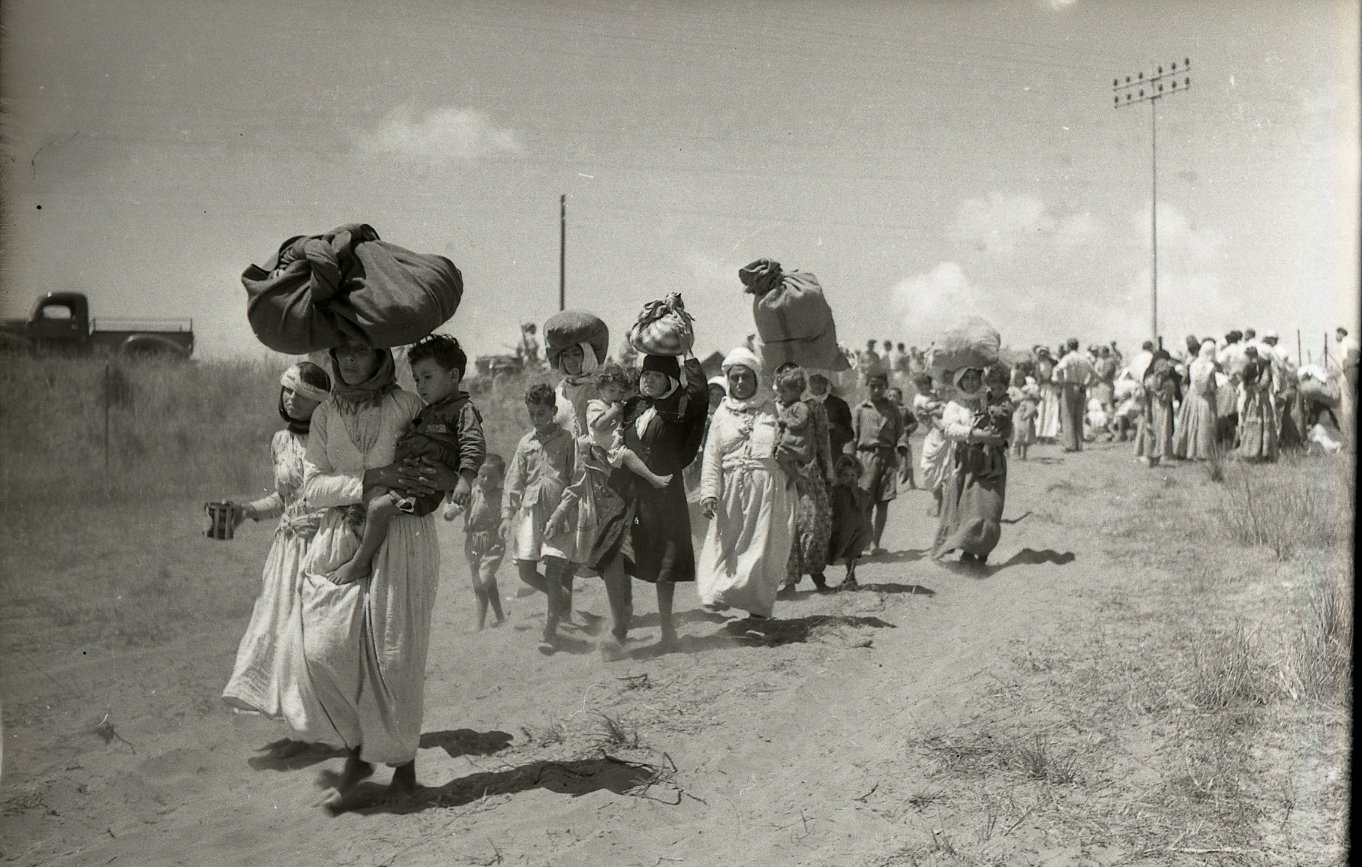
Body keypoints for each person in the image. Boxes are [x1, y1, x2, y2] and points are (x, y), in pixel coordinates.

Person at [299, 343, 454, 800]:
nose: (349, 361)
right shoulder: (326, 414)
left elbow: (430, 465)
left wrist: (402, 484)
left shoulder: (407, 404)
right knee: (326, 648)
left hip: (403, 537)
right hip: (339, 537)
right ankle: (359, 747)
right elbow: (311, 486)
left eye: (361, 351)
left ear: (380, 355)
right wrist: (366, 482)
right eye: (341, 351)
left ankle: (401, 765)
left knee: (395, 657)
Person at [221, 362, 332, 725]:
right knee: (277, 629)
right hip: (286, 551)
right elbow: (284, 500)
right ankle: (299, 720)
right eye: (288, 391)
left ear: (320, 403)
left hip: (323, 545)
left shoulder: (331, 439)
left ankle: (329, 722)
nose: (291, 399)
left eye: (302, 395)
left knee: (317, 637)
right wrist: (245, 511)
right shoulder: (280, 441)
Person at [328, 335, 484, 586]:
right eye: (416, 379)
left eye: (428, 377)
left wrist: (464, 480)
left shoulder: (463, 410)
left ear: (453, 376)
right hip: (412, 477)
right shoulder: (431, 409)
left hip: (421, 489)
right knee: (367, 502)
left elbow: (472, 445)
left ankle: (360, 562)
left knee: (378, 509)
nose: (421, 385)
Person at [697, 347, 796, 620]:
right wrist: (708, 492)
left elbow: (794, 439)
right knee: (724, 547)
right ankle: (717, 594)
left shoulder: (774, 408)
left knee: (760, 552)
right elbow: (712, 457)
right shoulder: (721, 415)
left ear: (756, 379)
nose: (740, 383)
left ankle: (758, 608)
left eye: (746, 377)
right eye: (734, 378)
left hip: (767, 491)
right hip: (730, 492)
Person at [618, 353, 709, 647]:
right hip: (633, 497)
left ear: (670, 380)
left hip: (665, 495)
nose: (648, 380)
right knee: (624, 550)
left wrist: (689, 355)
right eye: (646, 375)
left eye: (656, 375)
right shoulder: (633, 406)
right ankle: (621, 624)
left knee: (665, 557)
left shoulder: (680, 407)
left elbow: (700, 395)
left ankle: (667, 629)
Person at [503, 384, 577, 653]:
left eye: (542, 413)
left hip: (559, 513)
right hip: (531, 513)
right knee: (525, 571)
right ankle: (561, 595)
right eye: (532, 414)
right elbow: (514, 480)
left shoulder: (567, 440)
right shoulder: (526, 443)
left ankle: (550, 632)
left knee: (554, 570)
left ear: (554, 411)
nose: (536, 418)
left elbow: (576, 478)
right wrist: (505, 516)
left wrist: (566, 509)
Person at [931, 368, 1010, 567]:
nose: (970, 383)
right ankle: (968, 550)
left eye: (974, 378)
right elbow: (949, 429)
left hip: (992, 461)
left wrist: (1000, 439)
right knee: (969, 508)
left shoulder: (990, 397)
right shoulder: (955, 404)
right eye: (965, 379)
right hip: (967, 461)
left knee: (990, 508)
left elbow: (1007, 424)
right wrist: (976, 434)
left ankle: (983, 548)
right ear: (959, 381)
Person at [775, 364, 834, 595]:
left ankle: (818, 575)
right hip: (782, 473)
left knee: (815, 523)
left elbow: (823, 441)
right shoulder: (775, 407)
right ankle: (788, 582)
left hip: (810, 472)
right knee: (788, 525)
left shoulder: (814, 407)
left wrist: (827, 473)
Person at [586, 362, 674, 490]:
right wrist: (614, 412)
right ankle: (653, 479)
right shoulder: (595, 406)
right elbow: (598, 425)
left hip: (614, 446)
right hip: (608, 450)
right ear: (599, 389)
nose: (616, 395)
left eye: (620, 392)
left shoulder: (613, 405)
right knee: (628, 456)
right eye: (611, 390)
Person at [445, 453, 507, 631]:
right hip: (472, 542)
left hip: (493, 543)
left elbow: (509, 510)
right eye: (482, 475)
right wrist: (451, 512)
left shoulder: (502, 496)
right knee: (481, 581)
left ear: (500, 478)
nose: (485, 480)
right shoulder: (473, 491)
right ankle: (496, 618)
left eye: (491, 477)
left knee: (482, 580)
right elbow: (459, 505)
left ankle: (481, 623)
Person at [850, 371, 905, 555]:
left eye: (880, 386)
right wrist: (851, 460)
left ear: (885, 387)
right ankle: (867, 536)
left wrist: (902, 453)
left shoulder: (893, 409)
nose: (876, 390)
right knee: (866, 502)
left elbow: (901, 433)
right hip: (866, 458)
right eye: (872, 386)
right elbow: (853, 437)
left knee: (884, 501)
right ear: (867, 386)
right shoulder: (860, 409)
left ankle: (875, 542)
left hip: (887, 457)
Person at [828, 454, 871, 590]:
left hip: (858, 528)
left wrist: (854, 492)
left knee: (854, 553)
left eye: (853, 476)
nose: (849, 479)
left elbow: (861, 505)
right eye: (845, 475)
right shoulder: (837, 491)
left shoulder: (861, 492)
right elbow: (832, 507)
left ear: (858, 476)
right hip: (843, 528)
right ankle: (849, 576)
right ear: (840, 476)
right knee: (845, 552)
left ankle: (851, 576)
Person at [1172, 339, 1220, 460]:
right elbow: (1212, 384)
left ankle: (1187, 450)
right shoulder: (1211, 366)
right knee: (1205, 425)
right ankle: (1203, 452)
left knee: (1191, 423)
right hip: (1206, 398)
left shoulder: (1193, 363)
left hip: (1192, 396)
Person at [912, 373, 949, 516]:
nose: (924, 388)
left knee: (945, 468)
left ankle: (942, 502)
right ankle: (937, 497)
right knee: (928, 468)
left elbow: (944, 409)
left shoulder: (935, 394)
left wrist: (938, 407)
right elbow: (924, 413)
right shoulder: (918, 399)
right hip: (932, 433)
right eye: (921, 386)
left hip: (943, 433)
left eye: (926, 385)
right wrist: (936, 408)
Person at [1134, 350, 1178, 467]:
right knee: (1162, 430)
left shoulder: (1149, 379)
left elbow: (1142, 394)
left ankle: (1148, 454)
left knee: (1150, 431)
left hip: (1150, 407)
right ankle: (1161, 453)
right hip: (1163, 409)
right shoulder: (1169, 383)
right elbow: (1167, 397)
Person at [1236, 346, 1278, 462]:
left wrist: (1253, 388)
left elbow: (1264, 382)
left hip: (1259, 398)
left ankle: (1258, 452)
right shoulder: (1259, 365)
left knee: (1258, 422)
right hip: (1257, 398)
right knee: (1259, 422)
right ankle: (1257, 452)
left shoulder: (1262, 365)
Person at [1053, 337, 1095, 452]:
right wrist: (1086, 385)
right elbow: (1093, 373)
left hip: (1069, 386)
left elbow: (1058, 370)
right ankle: (1078, 444)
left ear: (1068, 346)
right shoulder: (1083, 359)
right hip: (1081, 387)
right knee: (1079, 416)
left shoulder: (1067, 358)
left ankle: (1070, 445)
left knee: (1067, 416)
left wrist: (1061, 382)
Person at [809, 373, 854, 458]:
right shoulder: (803, 405)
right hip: (809, 458)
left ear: (827, 382)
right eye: (813, 380)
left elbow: (849, 435)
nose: (817, 385)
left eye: (821, 381)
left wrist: (834, 426)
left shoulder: (839, 404)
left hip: (833, 455)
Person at [888, 386, 918, 489]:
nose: (892, 398)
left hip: (903, 440)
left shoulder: (905, 410)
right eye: (890, 396)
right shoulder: (885, 410)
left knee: (908, 461)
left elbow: (914, 422)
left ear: (900, 398)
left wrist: (908, 429)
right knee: (892, 464)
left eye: (894, 396)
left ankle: (912, 483)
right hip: (890, 442)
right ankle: (892, 486)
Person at [1033, 347, 1061, 443]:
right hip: (1042, 389)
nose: (1043, 355)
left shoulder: (1050, 364)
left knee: (1051, 410)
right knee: (1041, 411)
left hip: (1050, 389)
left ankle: (1049, 434)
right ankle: (1039, 434)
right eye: (1041, 354)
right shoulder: (1037, 364)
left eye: (1045, 353)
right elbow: (1038, 378)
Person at [1011, 383, 1039, 460]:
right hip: (1020, 421)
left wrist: (1033, 415)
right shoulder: (1019, 401)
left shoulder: (1030, 403)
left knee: (1025, 440)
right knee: (1019, 438)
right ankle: (1019, 455)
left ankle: (1023, 455)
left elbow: (1033, 411)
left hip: (1027, 422)